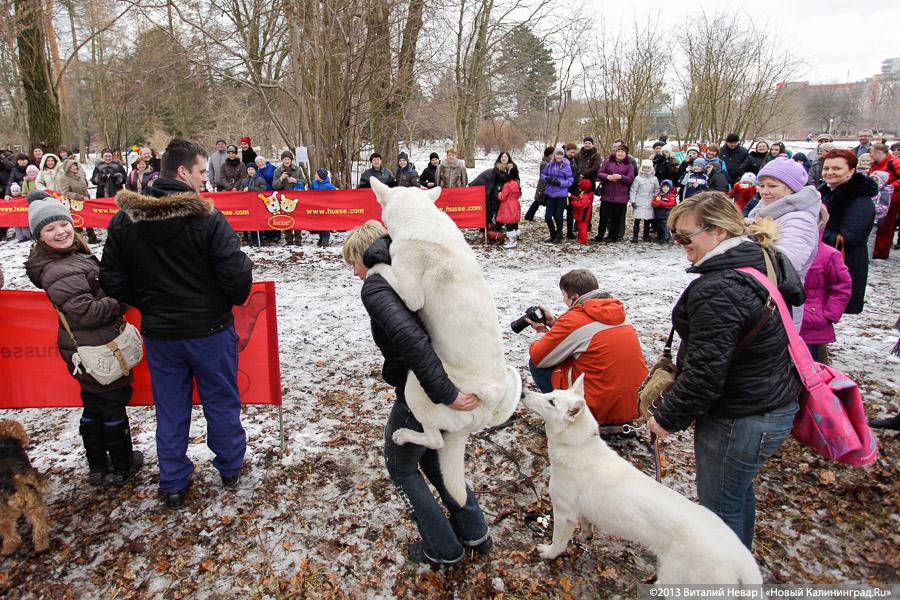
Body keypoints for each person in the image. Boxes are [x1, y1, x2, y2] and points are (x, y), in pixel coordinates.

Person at [100, 138, 253, 509]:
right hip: (207, 332)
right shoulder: (207, 218)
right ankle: (228, 466)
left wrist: (151, 302)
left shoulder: (125, 220)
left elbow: (114, 281)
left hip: (165, 332)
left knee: (171, 407)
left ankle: (174, 479)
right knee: (219, 400)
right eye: (202, 172)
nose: (205, 180)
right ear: (183, 172)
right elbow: (237, 285)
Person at [647, 191, 804, 550]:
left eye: (686, 236)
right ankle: (740, 569)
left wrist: (667, 417)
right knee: (734, 495)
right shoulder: (761, 258)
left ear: (718, 233)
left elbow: (705, 373)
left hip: (742, 416)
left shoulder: (720, 288)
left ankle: (726, 579)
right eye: (675, 236)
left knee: (720, 508)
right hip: (768, 403)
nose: (680, 244)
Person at [343, 220, 492, 566]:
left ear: (367, 254)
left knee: (400, 467)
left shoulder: (379, 286)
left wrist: (446, 394)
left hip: (423, 389)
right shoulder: (412, 272)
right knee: (429, 456)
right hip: (447, 376)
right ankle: (473, 529)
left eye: (354, 262)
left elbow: (413, 342)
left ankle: (443, 549)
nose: (354, 273)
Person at [25, 191, 143, 487]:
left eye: (62, 224)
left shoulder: (70, 257)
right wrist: (121, 297)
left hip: (87, 346)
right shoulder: (58, 269)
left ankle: (97, 465)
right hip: (97, 347)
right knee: (112, 404)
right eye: (49, 229)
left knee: (93, 404)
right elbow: (88, 312)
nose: (60, 232)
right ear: (39, 237)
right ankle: (122, 464)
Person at [527, 269, 648, 427]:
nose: (563, 300)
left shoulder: (575, 319)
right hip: (635, 405)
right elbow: (584, 336)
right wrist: (553, 323)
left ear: (575, 297)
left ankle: (563, 416)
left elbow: (540, 356)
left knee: (537, 364)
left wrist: (541, 330)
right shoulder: (618, 312)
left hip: (597, 410)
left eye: (564, 296)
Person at [749, 156, 821, 330]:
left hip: (778, 305)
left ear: (792, 188)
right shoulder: (763, 210)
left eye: (772, 186)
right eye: (762, 185)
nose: (765, 191)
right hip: (759, 298)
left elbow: (786, 263)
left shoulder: (799, 220)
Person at [819, 149, 877, 314]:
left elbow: (849, 238)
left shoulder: (860, 200)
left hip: (845, 264)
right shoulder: (825, 192)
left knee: (829, 313)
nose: (829, 172)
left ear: (851, 171)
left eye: (836, 169)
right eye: (826, 168)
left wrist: (814, 231)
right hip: (825, 262)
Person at [799, 206, 851, 363]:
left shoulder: (829, 255)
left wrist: (827, 315)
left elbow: (842, 287)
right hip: (780, 323)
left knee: (811, 369)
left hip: (811, 327)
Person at [595, 145, 635, 242]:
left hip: (621, 196)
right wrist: (608, 177)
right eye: (619, 151)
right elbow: (600, 173)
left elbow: (630, 179)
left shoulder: (629, 165)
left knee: (617, 218)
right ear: (615, 152)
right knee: (604, 217)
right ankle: (600, 235)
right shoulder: (608, 161)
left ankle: (613, 236)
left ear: (626, 154)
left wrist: (620, 177)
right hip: (607, 194)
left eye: (622, 152)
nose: (620, 153)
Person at [868, 143, 900, 259]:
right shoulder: (876, 164)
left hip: (892, 199)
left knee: (885, 225)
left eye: (872, 153)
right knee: (877, 225)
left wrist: (889, 186)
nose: (870, 156)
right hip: (879, 198)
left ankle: (881, 252)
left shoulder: (894, 162)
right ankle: (875, 250)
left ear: (879, 153)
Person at [470, 151, 514, 227]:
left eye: (505, 157)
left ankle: (499, 226)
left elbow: (515, 182)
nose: (504, 158)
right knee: (489, 209)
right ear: (499, 158)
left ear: (508, 159)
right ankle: (486, 225)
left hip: (506, 194)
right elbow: (484, 179)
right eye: (502, 157)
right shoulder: (494, 170)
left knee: (502, 211)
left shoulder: (512, 170)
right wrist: (472, 186)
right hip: (493, 193)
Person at [540, 148, 573, 244]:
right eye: (557, 154)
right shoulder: (549, 165)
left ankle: (559, 236)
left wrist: (560, 182)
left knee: (558, 216)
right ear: (554, 155)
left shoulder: (566, 166)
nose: (559, 156)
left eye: (561, 154)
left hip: (561, 195)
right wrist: (547, 178)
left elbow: (570, 181)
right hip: (550, 194)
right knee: (548, 216)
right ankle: (552, 235)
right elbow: (542, 176)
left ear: (563, 156)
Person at [273, 150, 306, 245]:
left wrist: (296, 180)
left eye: (288, 159)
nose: (286, 161)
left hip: (296, 197)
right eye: (284, 159)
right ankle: (289, 239)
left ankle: (298, 239)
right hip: (284, 198)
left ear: (291, 160)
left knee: (297, 218)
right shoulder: (278, 171)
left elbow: (304, 182)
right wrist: (281, 178)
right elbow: (275, 186)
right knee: (286, 218)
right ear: (282, 160)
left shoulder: (297, 169)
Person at [629, 159, 659, 242]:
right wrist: (633, 201)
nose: (646, 169)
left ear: (651, 169)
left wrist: (656, 200)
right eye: (645, 167)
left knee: (647, 220)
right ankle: (635, 236)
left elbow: (657, 190)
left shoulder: (654, 179)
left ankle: (646, 236)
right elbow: (633, 190)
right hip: (639, 200)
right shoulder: (638, 179)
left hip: (650, 201)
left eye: (648, 168)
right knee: (637, 219)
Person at [309, 168, 337, 247]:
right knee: (319, 224)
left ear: (320, 176)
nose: (315, 175)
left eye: (316, 174)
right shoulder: (314, 183)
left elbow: (337, 194)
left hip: (326, 208)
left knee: (325, 224)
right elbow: (310, 193)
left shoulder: (329, 186)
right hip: (316, 208)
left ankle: (325, 240)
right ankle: (321, 239)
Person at [524, 147, 553, 221]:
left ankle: (529, 216)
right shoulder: (545, 163)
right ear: (550, 154)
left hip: (544, 184)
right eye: (553, 154)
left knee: (539, 201)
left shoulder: (547, 162)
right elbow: (545, 174)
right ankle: (528, 216)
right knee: (538, 201)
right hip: (543, 185)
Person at [496, 164, 521, 248]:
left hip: (507, 206)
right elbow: (518, 195)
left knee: (509, 224)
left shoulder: (507, 185)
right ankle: (517, 235)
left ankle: (512, 241)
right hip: (515, 204)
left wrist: (499, 193)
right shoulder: (517, 183)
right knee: (514, 222)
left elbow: (502, 197)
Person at [571, 178, 594, 245]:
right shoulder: (586, 195)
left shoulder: (585, 196)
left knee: (582, 228)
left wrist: (573, 203)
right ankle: (580, 238)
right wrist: (572, 196)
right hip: (582, 214)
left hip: (583, 215)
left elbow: (581, 204)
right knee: (580, 227)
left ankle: (583, 240)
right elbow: (580, 200)